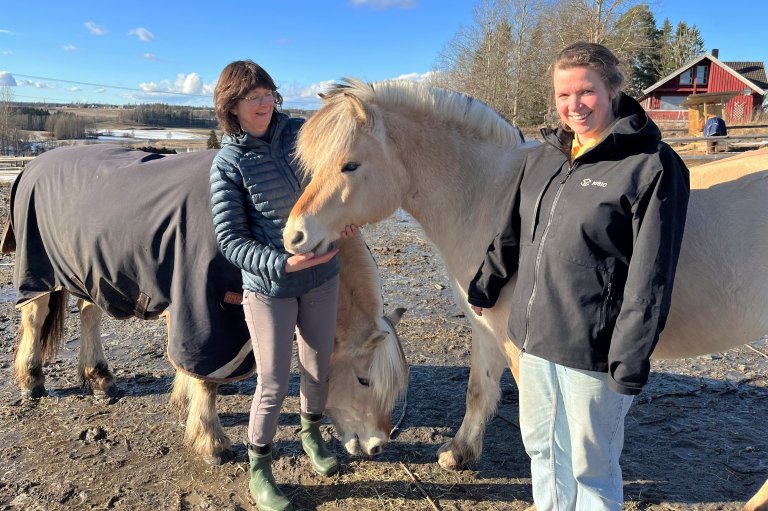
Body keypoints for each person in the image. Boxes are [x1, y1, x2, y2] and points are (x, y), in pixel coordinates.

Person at [467, 42, 690, 510]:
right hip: (532, 341)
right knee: (543, 452)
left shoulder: (650, 165)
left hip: (592, 347)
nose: (573, 105)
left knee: (591, 466)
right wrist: (487, 281)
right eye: (563, 95)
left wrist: (629, 359)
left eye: (586, 91)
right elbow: (512, 231)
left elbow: (652, 276)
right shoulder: (542, 157)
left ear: (613, 88)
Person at [210, 59, 355, 511]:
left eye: (269, 94)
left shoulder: (299, 135)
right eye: (254, 98)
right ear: (231, 106)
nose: (265, 104)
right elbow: (230, 240)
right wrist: (281, 264)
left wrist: (343, 221)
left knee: (318, 367)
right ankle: (261, 469)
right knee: (272, 382)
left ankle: (311, 434)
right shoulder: (228, 163)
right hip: (269, 289)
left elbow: (333, 186)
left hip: (323, 277)